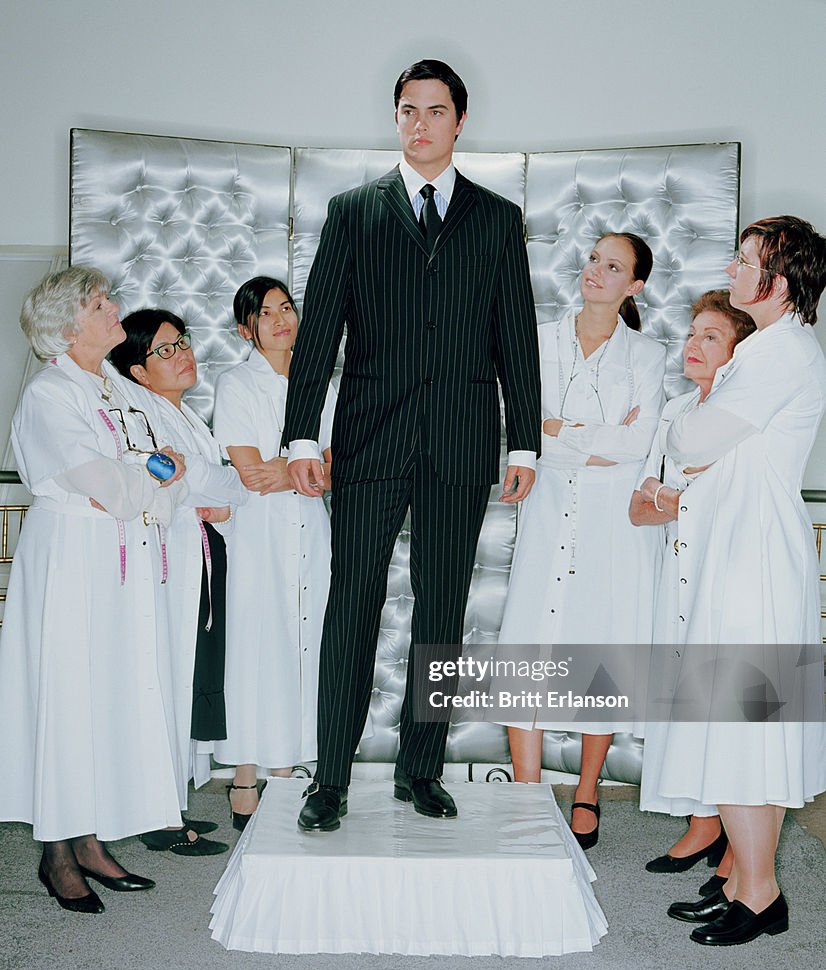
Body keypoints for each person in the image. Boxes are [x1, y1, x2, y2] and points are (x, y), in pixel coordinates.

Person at [281, 59, 541, 831]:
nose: (420, 124)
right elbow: (320, 332)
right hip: (367, 441)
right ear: (395, 119)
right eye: (407, 111)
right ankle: (328, 778)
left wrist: (522, 445)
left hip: (460, 445)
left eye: (434, 110)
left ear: (461, 121)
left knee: (441, 614)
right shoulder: (352, 211)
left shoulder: (497, 220)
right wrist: (302, 433)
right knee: (351, 606)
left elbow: (515, 340)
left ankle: (419, 771)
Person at [631, 217, 826, 945]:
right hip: (738, 547)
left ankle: (761, 891)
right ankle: (747, 881)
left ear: (775, 280)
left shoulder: (779, 352)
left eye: (745, 261)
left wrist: (694, 433)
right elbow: (697, 444)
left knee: (749, 725)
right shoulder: (772, 349)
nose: (734, 270)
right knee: (740, 722)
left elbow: (692, 438)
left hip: (756, 559)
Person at [0, 267, 193, 912]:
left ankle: (90, 839)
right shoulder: (52, 393)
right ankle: (57, 853)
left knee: (105, 692)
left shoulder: (112, 384)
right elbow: (107, 483)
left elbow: (166, 457)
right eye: (101, 303)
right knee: (66, 693)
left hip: (121, 559)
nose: (116, 310)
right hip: (73, 560)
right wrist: (149, 476)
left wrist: (148, 474)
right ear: (70, 324)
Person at [495, 233, 665, 849]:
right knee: (528, 641)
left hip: (609, 519)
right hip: (547, 508)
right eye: (594, 259)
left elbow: (638, 443)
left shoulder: (646, 355)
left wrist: (558, 430)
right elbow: (517, 425)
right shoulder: (537, 342)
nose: (596, 271)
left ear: (635, 285)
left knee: (602, 646)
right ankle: (526, 789)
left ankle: (587, 790)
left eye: (613, 266)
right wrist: (581, 436)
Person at [631, 291, 754, 885]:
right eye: (692, 333)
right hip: (674, 578)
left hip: (727, 574)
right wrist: (678, 499)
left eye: (710, 336)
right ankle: (703, 823)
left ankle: (737, 839)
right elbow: (639, 507)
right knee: (684, 706)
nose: (693, 345)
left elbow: (728, 504)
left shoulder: (740, 415)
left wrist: (669, 496)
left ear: (736, 354)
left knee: (728, 706)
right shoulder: (675, 409)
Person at [110, 309, 247, 820]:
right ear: (138, 373)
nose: (182, 354)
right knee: (164, 679)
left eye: (182, 342)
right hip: (168, 566)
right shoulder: (143, 416)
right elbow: (194, 482)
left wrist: (220, 493)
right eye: (164, 350)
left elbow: (227, 487)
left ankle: (172, 807)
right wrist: (215, 487)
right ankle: (159, 813)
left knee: (188, 677)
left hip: (201, 559)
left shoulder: (188, 418)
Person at [212, 277, 336, 829]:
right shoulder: (236, 383)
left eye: (287, 307)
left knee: (304, 643)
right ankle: (245, 774)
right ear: (247, 329)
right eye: (267, 313)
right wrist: (299, 471)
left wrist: (291, 470)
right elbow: (249, 472)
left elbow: (337, 465)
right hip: (258, 533)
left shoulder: (322, 384)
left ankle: (286, 772)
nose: (282, 319)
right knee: (256, 645)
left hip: (312, 527)